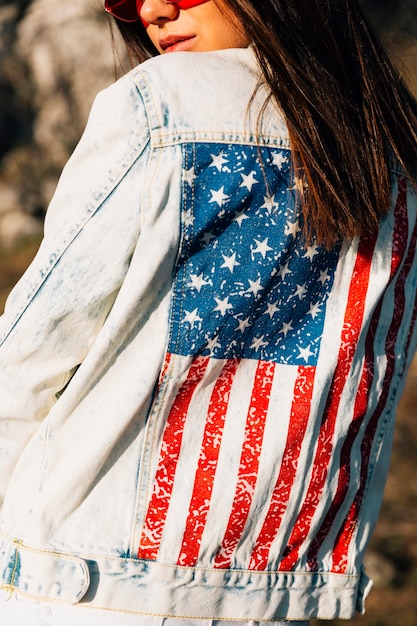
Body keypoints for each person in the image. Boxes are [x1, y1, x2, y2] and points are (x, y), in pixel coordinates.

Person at [0, 0, 416, 624]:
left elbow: (32, 354)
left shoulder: (160, 102)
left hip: (86, 587)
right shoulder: (397, 149)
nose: (153, 11)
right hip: (285, 594)